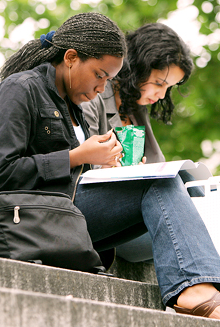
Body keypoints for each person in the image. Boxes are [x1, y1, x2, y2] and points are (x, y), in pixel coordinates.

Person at [0, 14, 220, 320]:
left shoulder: (70, 102)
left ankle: (200, 287)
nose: (102, 88)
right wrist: (75, 157)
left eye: (108, 79)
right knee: (159, 184)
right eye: (99, 75)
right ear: (71, 58)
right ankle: (195, 292)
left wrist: (107, 164)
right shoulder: (21, 88)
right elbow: (1, 171)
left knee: (175, 188)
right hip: (36, 214)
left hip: (70, 215)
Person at [81, 22, 204, 263]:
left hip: (138, 217)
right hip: (99, 216)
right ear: (137, 66)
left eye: (168, 88)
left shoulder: (136, 110)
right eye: (159, 83)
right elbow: (77, 167)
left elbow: (161, 172)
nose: (161, 95)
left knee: (190, 183)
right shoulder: (92, 96)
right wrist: (111, 169)